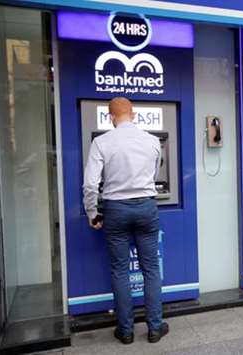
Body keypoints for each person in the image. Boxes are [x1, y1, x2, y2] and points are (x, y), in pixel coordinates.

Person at [83, 97, 169, 344]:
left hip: (115, 209)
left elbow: (91, 184)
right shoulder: (153, 142)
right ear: (134, 115)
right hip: (146, 206)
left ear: (110, 117)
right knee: (151, 268)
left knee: (120, 270)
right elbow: (154, 175)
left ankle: (126, 331)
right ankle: (154, 328)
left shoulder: (101, 142)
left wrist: (92, 213)